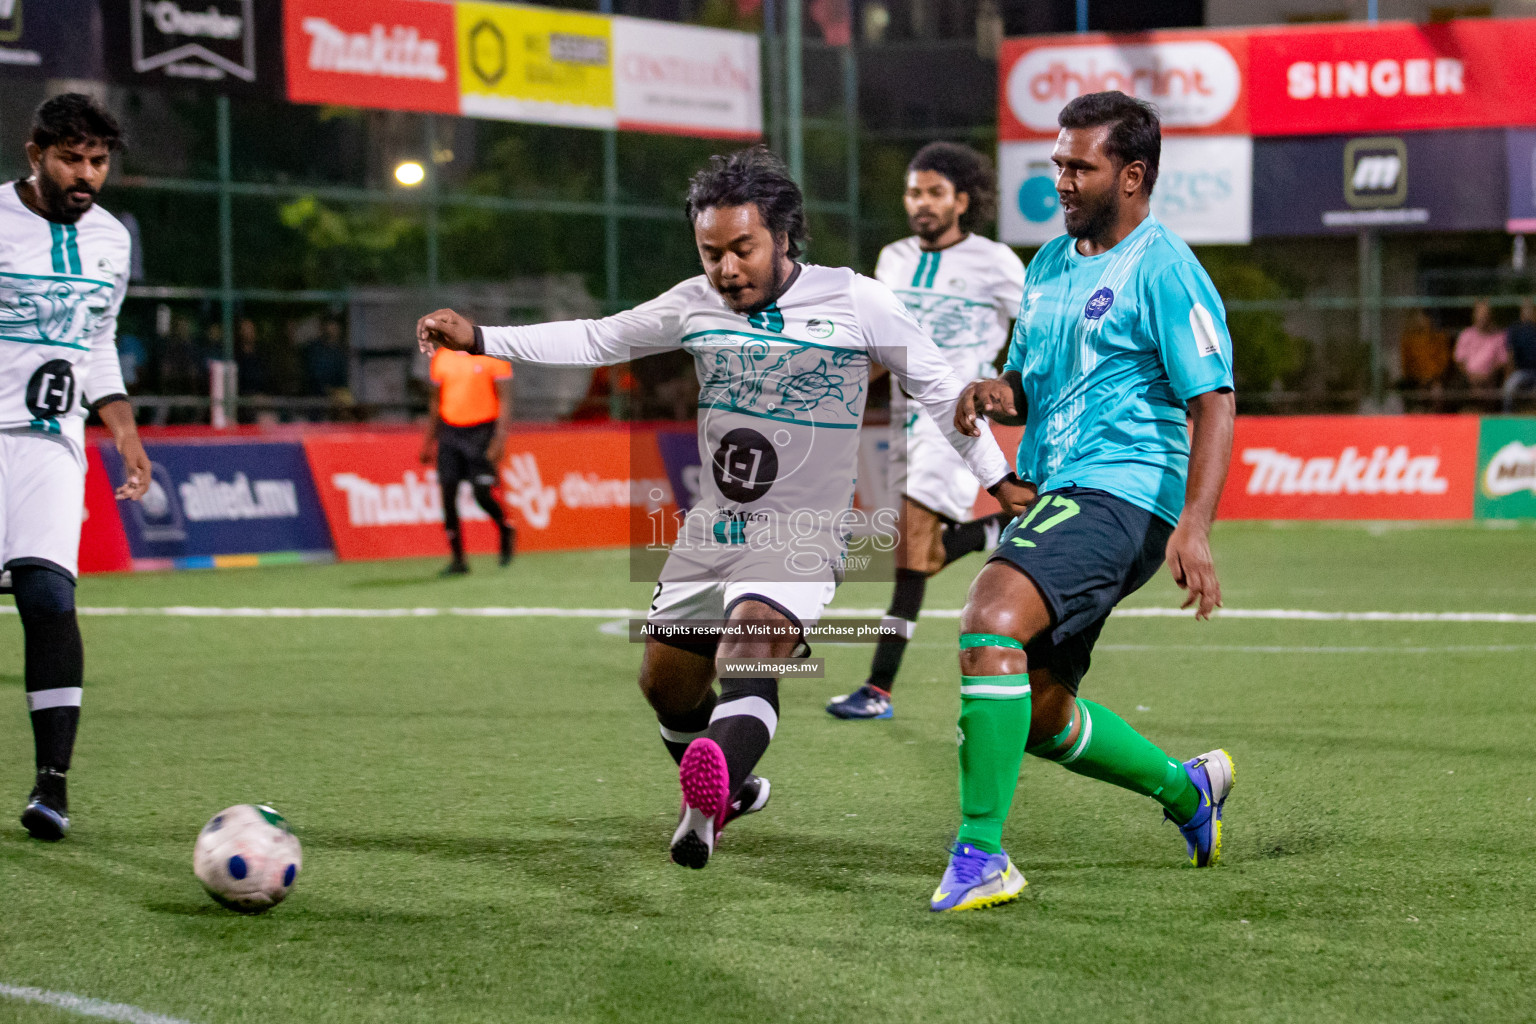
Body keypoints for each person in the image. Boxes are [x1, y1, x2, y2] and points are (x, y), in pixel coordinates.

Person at [416, 147, 1031, 870]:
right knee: (665, 684)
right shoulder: (693, 303)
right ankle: (728, 783)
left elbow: (936, 386)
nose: (726, 268)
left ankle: (712, 783)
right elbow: (597, 337)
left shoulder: (857, 299)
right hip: (713, 528)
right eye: (711, 252)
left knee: (753, 644)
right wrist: (481, 340)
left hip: (805, 529)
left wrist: (998, 475)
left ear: (784, 237)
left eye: (743, 248)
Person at [930, 92, 1237, 912]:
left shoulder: (1166, 267)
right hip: (1062, 490)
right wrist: (997, 391)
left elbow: (1214, 400)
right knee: (1037, 710)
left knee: (991, 614)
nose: (1060, 180)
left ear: (1131, 176)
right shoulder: (1051, 264)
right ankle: (1187, 792)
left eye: (1079, 166)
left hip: (1125, 490)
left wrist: (1195, 527)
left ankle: (981, 856)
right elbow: (1033, 384)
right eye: (1057, 163)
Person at [825, 142, 1025, 721]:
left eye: (936, 192)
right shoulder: (892, 260)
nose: (923, 203)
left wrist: (1011, 383)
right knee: (921, 555)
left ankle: (878, 688)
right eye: (915, 192)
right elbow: (881, 345)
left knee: (912, 548)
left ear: (962, 200)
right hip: (902, 424)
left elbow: (1039, 329)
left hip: (956, 421)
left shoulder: (995, 262)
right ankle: (999, 526)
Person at [0, 93, 152, 840]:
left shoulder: (111, 242)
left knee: (49, 600)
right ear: (35, 154)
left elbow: (98, 341)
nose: (86, 174)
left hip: (49, 443)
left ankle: (51, 787)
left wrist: (122, 429)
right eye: (71, 158)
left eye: (98, 161)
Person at [419, 346, 516, 574]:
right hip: (450, 433)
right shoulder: (441, 358)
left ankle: (505, 528)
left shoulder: (492, 355)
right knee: (448, 494)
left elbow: (505, 399)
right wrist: (428, 441)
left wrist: (499, 440)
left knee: (482, 494)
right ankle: (458, 560)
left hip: (481, 433)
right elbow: (436, 402)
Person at [1453, 300, 1508, 393]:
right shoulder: (1466, 335)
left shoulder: (1499, 336)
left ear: (1490, 316)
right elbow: (1459, 361)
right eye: (1480, 315)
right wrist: (1470, 376)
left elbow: (1502, 361)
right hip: (1468, 378)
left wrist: (1489, 374)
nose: (1483, 318)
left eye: (1485, 315)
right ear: (1474, 316)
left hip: (1491, 378)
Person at [1502, 300, 1536, 411]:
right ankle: (1507, 417)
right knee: (1509, 387)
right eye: (1526, 310)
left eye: (1531, 311)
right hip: (1522, 371)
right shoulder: (1515, 330)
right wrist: (1508, 373)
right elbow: (1510, 354)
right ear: (1521, 312)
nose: (1528, 313)